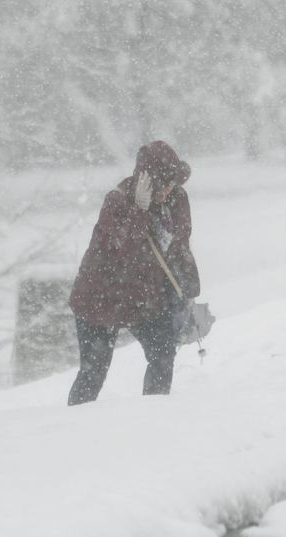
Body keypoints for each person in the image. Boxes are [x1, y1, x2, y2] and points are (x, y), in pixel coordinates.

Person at [66, 140, 201, 405]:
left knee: (163, 356)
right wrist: (138, 210)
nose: (165, 192)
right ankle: (73, 424)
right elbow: (121, 247)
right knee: (94, 372)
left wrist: (187, 292)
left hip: (145, 297)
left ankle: (151, 415)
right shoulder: (117, 201)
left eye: (170, 184)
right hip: (101, 297)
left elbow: (180, 247)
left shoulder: (177, 199)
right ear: (145, 181)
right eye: (160, 186)